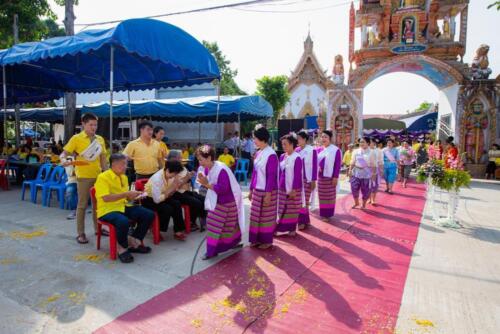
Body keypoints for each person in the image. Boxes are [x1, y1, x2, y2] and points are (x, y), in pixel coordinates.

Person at [94, 153, 154, 263]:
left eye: (125, 164)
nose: (125, 166)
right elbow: (106, 198)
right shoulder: (103, 177)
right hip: (107, 209)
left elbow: (125, 198)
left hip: (122, 206)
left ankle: (135, 241)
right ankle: (122, 248)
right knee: (123, 221)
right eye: (123, 164)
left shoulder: (124, 177)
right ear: (113, 164)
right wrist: (126, 194)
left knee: (148, 214)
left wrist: (134, 195)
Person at [61, 113, 108, 244]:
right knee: (82, 205)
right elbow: (64, 153)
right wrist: (63, 159)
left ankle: (98, 229)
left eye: (95, 125)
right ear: (83, 124)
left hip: (98, 176)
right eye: (91, 125)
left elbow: (103, 158)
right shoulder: (76, 138)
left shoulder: (100, 139)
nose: (94, 127)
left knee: (98, 205)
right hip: (83, 177)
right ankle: (80, 233)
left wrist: (107, 174)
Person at [196, 145, 244, 260]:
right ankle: (212, 251)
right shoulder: (208, 168)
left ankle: (227, 245)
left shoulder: (221, 169)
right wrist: (203, 181)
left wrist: (206, 184)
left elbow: (223, 189)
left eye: (201, 159)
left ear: (209, 158)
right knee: (215, 226)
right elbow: (208, 182)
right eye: (198, 159)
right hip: (218, 201)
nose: (199, 162)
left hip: (226, 202)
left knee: (226, 226)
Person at [249, 126, 278, 250]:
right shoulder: (259, 153)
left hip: (268, 190)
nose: (253, 140)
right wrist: (251, 189)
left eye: (255, 138)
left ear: (262, 139)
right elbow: (255, 173)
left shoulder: (271, 154)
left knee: (266, 216)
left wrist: (268, 193)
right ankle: (256, 239)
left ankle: (267, 241)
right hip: (257, 189)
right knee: (255, 216)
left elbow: (271, 176)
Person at [142, 160, 187, 241]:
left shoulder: (171, 175)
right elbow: (157, 200)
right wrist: (169, 192)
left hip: (162, 196)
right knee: (167, 209)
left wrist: (172, 189)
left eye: (176, 174)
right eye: (174, 174)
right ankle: (156, 229)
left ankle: (178, 230)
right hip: (149, 199)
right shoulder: (157, 179)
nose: (174, 176)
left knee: (176, 204)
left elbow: (170, 191)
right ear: (167, 170)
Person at [168, 150, 205, 231]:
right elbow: (175, 187)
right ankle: (191, 222)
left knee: (203, 199)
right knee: (196, 202)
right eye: (180, 157)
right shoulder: (170, 169)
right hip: (176, 193)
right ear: (173, 158)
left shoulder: (181, 166)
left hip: (185, 191)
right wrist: (187, 177)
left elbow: (187, 176)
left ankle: (199, 219)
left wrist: (191, 175)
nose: (181, 159)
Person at [275, 134, 303, 236]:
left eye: (285, 144)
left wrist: (294, 190)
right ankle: (280, 229)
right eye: (282, 144)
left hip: (293, 188)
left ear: (292, 144)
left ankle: (291, 229)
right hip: (282, 187)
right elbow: (279, 172)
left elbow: (297, 175)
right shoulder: (282, 156)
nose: (283, 146)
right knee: (281, 208)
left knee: (291, 210)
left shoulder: (297, 158)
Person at [317, 130, 342, 220]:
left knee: (329, 196)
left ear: (330, 139)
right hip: (320, 177)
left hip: (330, 177)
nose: (323, 139)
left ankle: (328, 214)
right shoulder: (318, 149)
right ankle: (323, 213)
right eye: (322, 137)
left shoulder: (335, 150)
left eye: (325, 137)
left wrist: (335, 177)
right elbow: (315, 162)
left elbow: (337, 164)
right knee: (322, 196)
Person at [296, 130, 317, 230]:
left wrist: (313, 180)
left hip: (307, 179)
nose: (298, 140)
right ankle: (305, 220)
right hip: (298, 179)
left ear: (304, 139)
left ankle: (302, 221)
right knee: (299, 201)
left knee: (305, 201)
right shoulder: (296, 150)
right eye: (297, 138)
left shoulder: (311, 150)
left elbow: (314, 165)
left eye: (299, 139)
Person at [348, 137, 376, 209]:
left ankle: (363, 204)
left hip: (366, 173)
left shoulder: (372, 152)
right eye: (360, 142)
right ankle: (356, 203)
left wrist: (373, 174)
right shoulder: (356, 151)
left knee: (366, 190)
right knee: (354, 188)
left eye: (363, 142)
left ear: (368, 143)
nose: (361, 143)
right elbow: (352, 161)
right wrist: (350, 170)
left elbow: (373, 164)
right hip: (356, 172)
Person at [368, 138, 384, 205]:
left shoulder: (378, 151)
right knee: (367, 185)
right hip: (366, 170)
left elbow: (381, 161)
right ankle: (369, 198)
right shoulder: (364, 150)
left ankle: (373, 199)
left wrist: (381, 170)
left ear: (374, 143)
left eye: (371, 142)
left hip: (375, 169)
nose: (370, 143)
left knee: (374, 185)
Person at [63, 155, 78, 220]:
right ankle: (74, 210)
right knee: (70, 191)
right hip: (73, 180)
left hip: (84, 179)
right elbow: (70, 173)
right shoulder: (68, 159)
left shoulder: (85, 157)